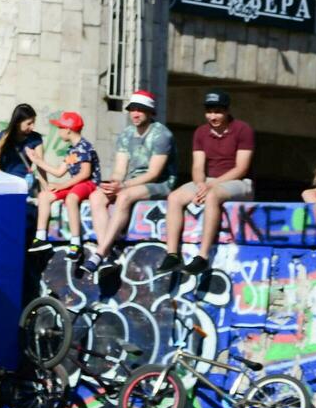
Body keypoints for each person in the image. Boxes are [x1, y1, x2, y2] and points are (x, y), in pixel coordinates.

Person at [157, 89, 255, 277]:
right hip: (209, 180)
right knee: (175, 197)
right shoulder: (201, 132)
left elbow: (241, 168)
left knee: (212, 197)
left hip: (238, 181)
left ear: (227, 111)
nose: (213, 116)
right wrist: (200, 183)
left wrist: (211, 186)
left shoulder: (242, 129)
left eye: (218, 111)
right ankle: (172, 253)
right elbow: (197, 166)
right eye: (209, 112)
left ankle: (202, 256)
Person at [84, 90, 177, 275]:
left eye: (140, 110)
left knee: (125, 196)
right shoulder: (126, 134)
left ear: (151, 112)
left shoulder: (161, 135)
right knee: (96, 196)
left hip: (161, 183)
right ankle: (108, 256)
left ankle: (101, 251)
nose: (135, 113)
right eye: (132, 109)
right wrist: (113, 184)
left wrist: (123, 186)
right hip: (132, 182)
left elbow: (154, 173)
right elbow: (119, 171)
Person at [29, 111, 100, 257]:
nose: (58, 131)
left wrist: (63, 185)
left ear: (68, 130)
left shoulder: (84, 146)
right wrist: (37, 161)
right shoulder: (71, 150)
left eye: (60, 128)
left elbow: (85, 173)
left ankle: (75, 242)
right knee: (44, 196)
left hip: (89, 184)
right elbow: (59, 172)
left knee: (71, 198)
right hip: (76, 185)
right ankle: (41, 237)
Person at [0, 103, 46, 192]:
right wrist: (9, 181)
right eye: (29, 123)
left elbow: (41, 167)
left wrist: (46, 190)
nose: (32, 127)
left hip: (25, 186)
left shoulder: (36, 139)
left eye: (33, 122)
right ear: (17, 122)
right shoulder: (2, 138)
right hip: (4, 185)